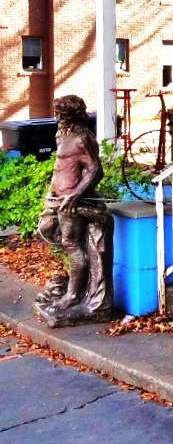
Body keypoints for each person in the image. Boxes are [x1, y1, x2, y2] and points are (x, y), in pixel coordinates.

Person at [35, 95, 112, 320]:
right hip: (57, 199)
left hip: (73, 202)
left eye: (60, 114)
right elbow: (59, 168)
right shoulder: (63, 134)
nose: (56, 117)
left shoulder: (82, 138)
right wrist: (51, 192)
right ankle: (74, 280)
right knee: (46, 228)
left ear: (71, 116)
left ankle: (72, 295)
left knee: (72, 244)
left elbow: (96, 170)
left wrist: (76, 194)